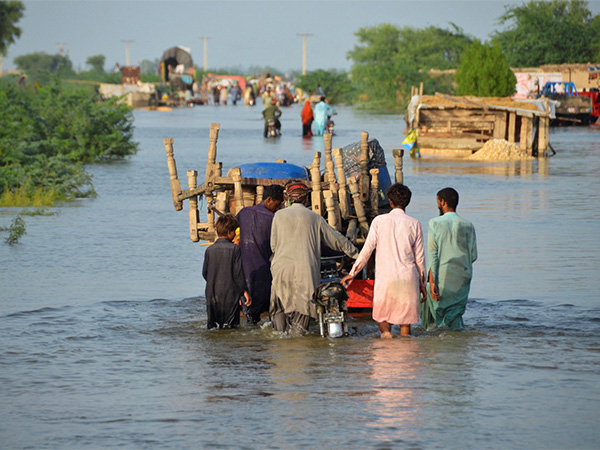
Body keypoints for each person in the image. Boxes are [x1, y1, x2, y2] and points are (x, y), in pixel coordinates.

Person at [270, 181, 359, 334]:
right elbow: (337, 240)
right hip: (305, 271)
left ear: (289, 198)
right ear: (306, 199)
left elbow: (273, 245)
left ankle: (280, 339)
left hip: (281, 269)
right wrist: (357, 254)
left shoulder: (278, 216)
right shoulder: (314, 217)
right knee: (302, 312)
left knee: (279, 307)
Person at [342, 183, 426, 338]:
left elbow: (367, 251)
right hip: (408, 278)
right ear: (407, 202)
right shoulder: (415, 224)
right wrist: (422, 284)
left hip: (386, 278)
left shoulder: (379, 221)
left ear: (390, 201)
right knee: (405, 324)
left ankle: (385, 347)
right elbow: (419, 258)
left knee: (383, 319)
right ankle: (406, 357)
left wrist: (353, 273)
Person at [420, 187, 478, 331]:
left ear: (443, 202)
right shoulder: (468, 225)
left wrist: (432, 281)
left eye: (438, 202)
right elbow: (474, 256)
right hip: (463, 276)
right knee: (455, 314)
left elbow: (433, 254)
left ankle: (439, 343)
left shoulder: (434, 223)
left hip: (442, 275)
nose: (437, 205)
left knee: (436, 313)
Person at [236, 185, 284, 324]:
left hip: (245, 274)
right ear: (269, 200)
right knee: (272, 314)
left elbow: (234, 231)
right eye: (277, 204)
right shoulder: (273, 219)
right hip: (265, 273)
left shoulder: (244, 212)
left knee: (251, 317)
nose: (277, 207)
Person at [202, 214, 252, 329]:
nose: (235, 235)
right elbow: (238, 273)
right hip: (230, 295)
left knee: (213, 327)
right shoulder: (235, 249)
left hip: (212, 294)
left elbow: (205, 273)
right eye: (234, 231)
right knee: (231, 327)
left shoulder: (209, 250)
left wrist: (214, 282)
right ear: (229, 232)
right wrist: (245, 291)